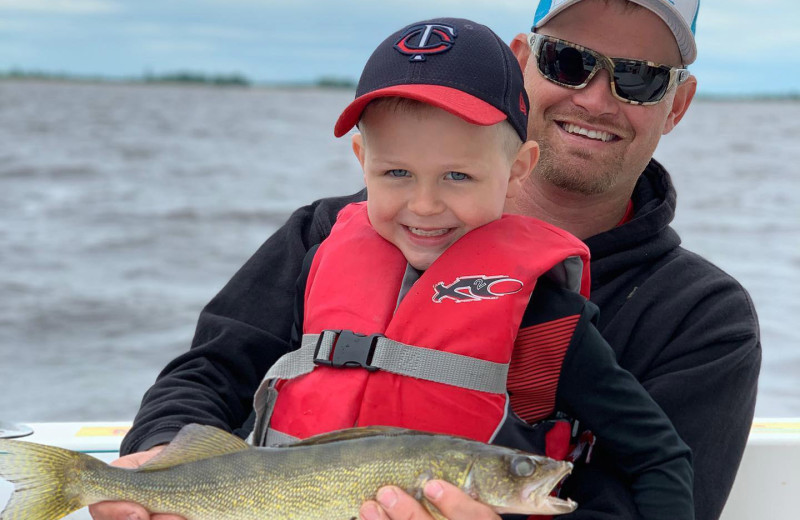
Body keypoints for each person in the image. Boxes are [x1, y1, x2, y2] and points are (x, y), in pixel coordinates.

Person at [90, 1, 761, 520]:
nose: (595, 96)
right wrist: (160, 457)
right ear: (524, 62)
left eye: (640, 78)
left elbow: (665, 489)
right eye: (568, 61)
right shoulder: (325, 232)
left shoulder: (703, 320)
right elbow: (207, 373)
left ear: (677, 104)